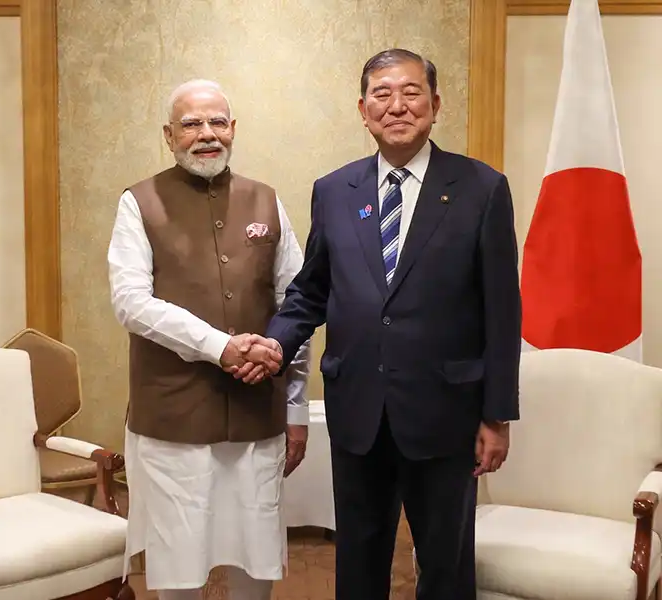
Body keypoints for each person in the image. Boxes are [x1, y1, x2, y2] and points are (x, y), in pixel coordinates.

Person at [232, 49, 521, 599]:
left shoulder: (482, 188)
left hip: (445, 412)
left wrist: (497, 415)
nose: (397, 105)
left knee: (445, 565)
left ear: (435, 104)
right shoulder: (334, 190)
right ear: (363, 111)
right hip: (358, 408)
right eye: (382, 94)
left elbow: (503, 310)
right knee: (359, 564)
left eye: (411, 92)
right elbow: (311, 289)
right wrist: (274, 344)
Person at [107, 79, 310, 600]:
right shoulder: (139, 202)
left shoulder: (266, 200)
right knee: (179, 564)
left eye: (217, 122)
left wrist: (296, 410)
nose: (206, 134)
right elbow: (130, 302)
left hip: (257, 415)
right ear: (168, 135)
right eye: (191, 124)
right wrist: (220, 347)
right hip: (172, 421)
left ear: (233, 129)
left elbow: (297, 301)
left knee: (256, 558)